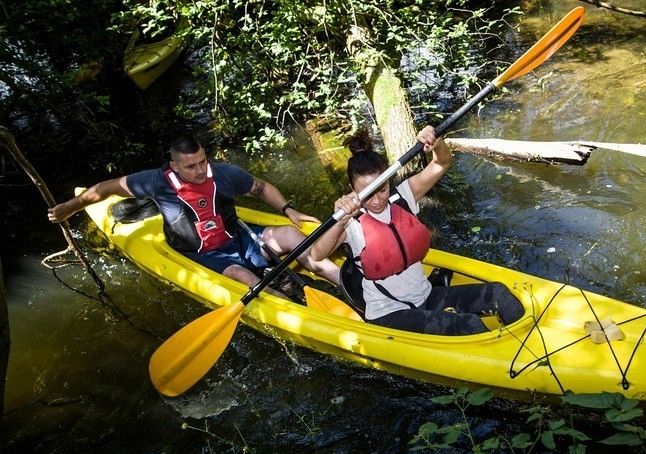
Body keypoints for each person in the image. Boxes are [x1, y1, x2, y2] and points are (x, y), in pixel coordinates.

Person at [48, 133, 340, 290]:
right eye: (191, 165)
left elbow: (261, 188)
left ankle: (348, 283)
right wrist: (67, 209)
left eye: (202, 161)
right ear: (174, 165)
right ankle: (296, 309)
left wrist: (289, 209)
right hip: (203, 255)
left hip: (239, 240)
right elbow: (106, 188)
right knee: (244, 277)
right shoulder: (155, 182)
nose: (200, 170)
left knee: (290, 235)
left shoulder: (223, 174)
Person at [310, 125, 525, 335]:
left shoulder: (403, 196)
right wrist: (338, 220)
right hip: (388, 313)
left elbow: (442, 163)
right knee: (469, 325)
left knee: (499, 295)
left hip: (425, 295)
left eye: (382, 190)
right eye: (367, 194)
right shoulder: (349, 222)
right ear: (352, 190)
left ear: (388, 180)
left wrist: (436, 142)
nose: (377, 200)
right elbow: (317, 254)